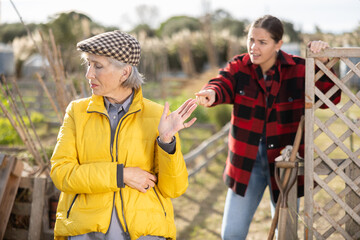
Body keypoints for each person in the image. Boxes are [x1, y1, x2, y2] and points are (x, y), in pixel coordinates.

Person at [196, 15, 341, 240]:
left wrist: (323, 61)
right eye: (251, 40)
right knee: (231, 235)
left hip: (285, 165)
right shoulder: (238, 67)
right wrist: (212, 93)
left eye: (262, 42)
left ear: (278, 44)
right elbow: (222, 83)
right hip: (245, 163)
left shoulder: (299, 69)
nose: (254, 47)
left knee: (286, 235)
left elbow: (332, 97)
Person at [50, 30, 197, 240]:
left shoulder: (157, 115)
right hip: (86, 229)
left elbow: (174, 189)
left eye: (98, 66)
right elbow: (61, 173)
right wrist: (121, 175)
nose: (89, 74)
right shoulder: (77, 112)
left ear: (125, 73)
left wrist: (167, 142)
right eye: (88, 64)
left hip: (144, 231)